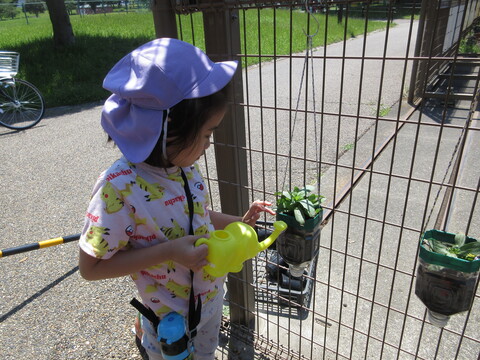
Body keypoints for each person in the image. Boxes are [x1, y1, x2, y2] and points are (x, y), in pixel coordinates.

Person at [78, 38, 275, 360]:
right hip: (167, 318)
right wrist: (169, 252)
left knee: (205, 353)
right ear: (166, 129)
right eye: (208, 133)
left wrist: (240, 222)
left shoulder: (182, 167)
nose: (210, 144)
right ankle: (144, 333)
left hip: (209, 299)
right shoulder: (119, 187)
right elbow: (91, 267)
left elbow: (196, 214)